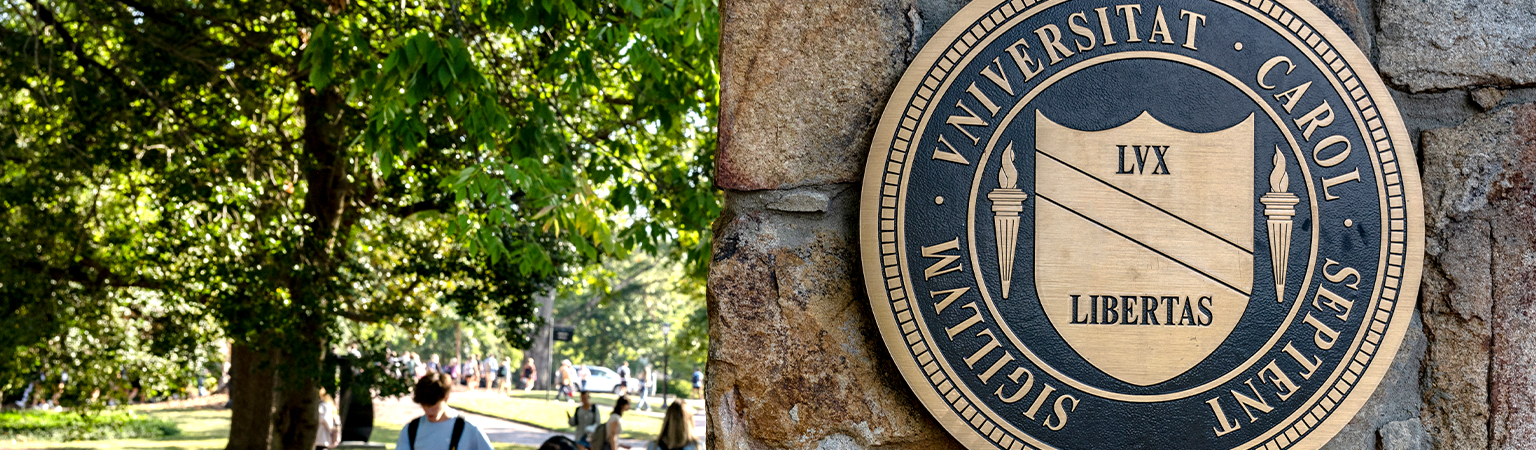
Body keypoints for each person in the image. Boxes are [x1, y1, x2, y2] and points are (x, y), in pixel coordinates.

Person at [396, 373, 495, 450]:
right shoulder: (411, 430)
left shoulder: (470, 429)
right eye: (423, 405)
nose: (427, 410)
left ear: (446, 397)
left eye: (432, 404)